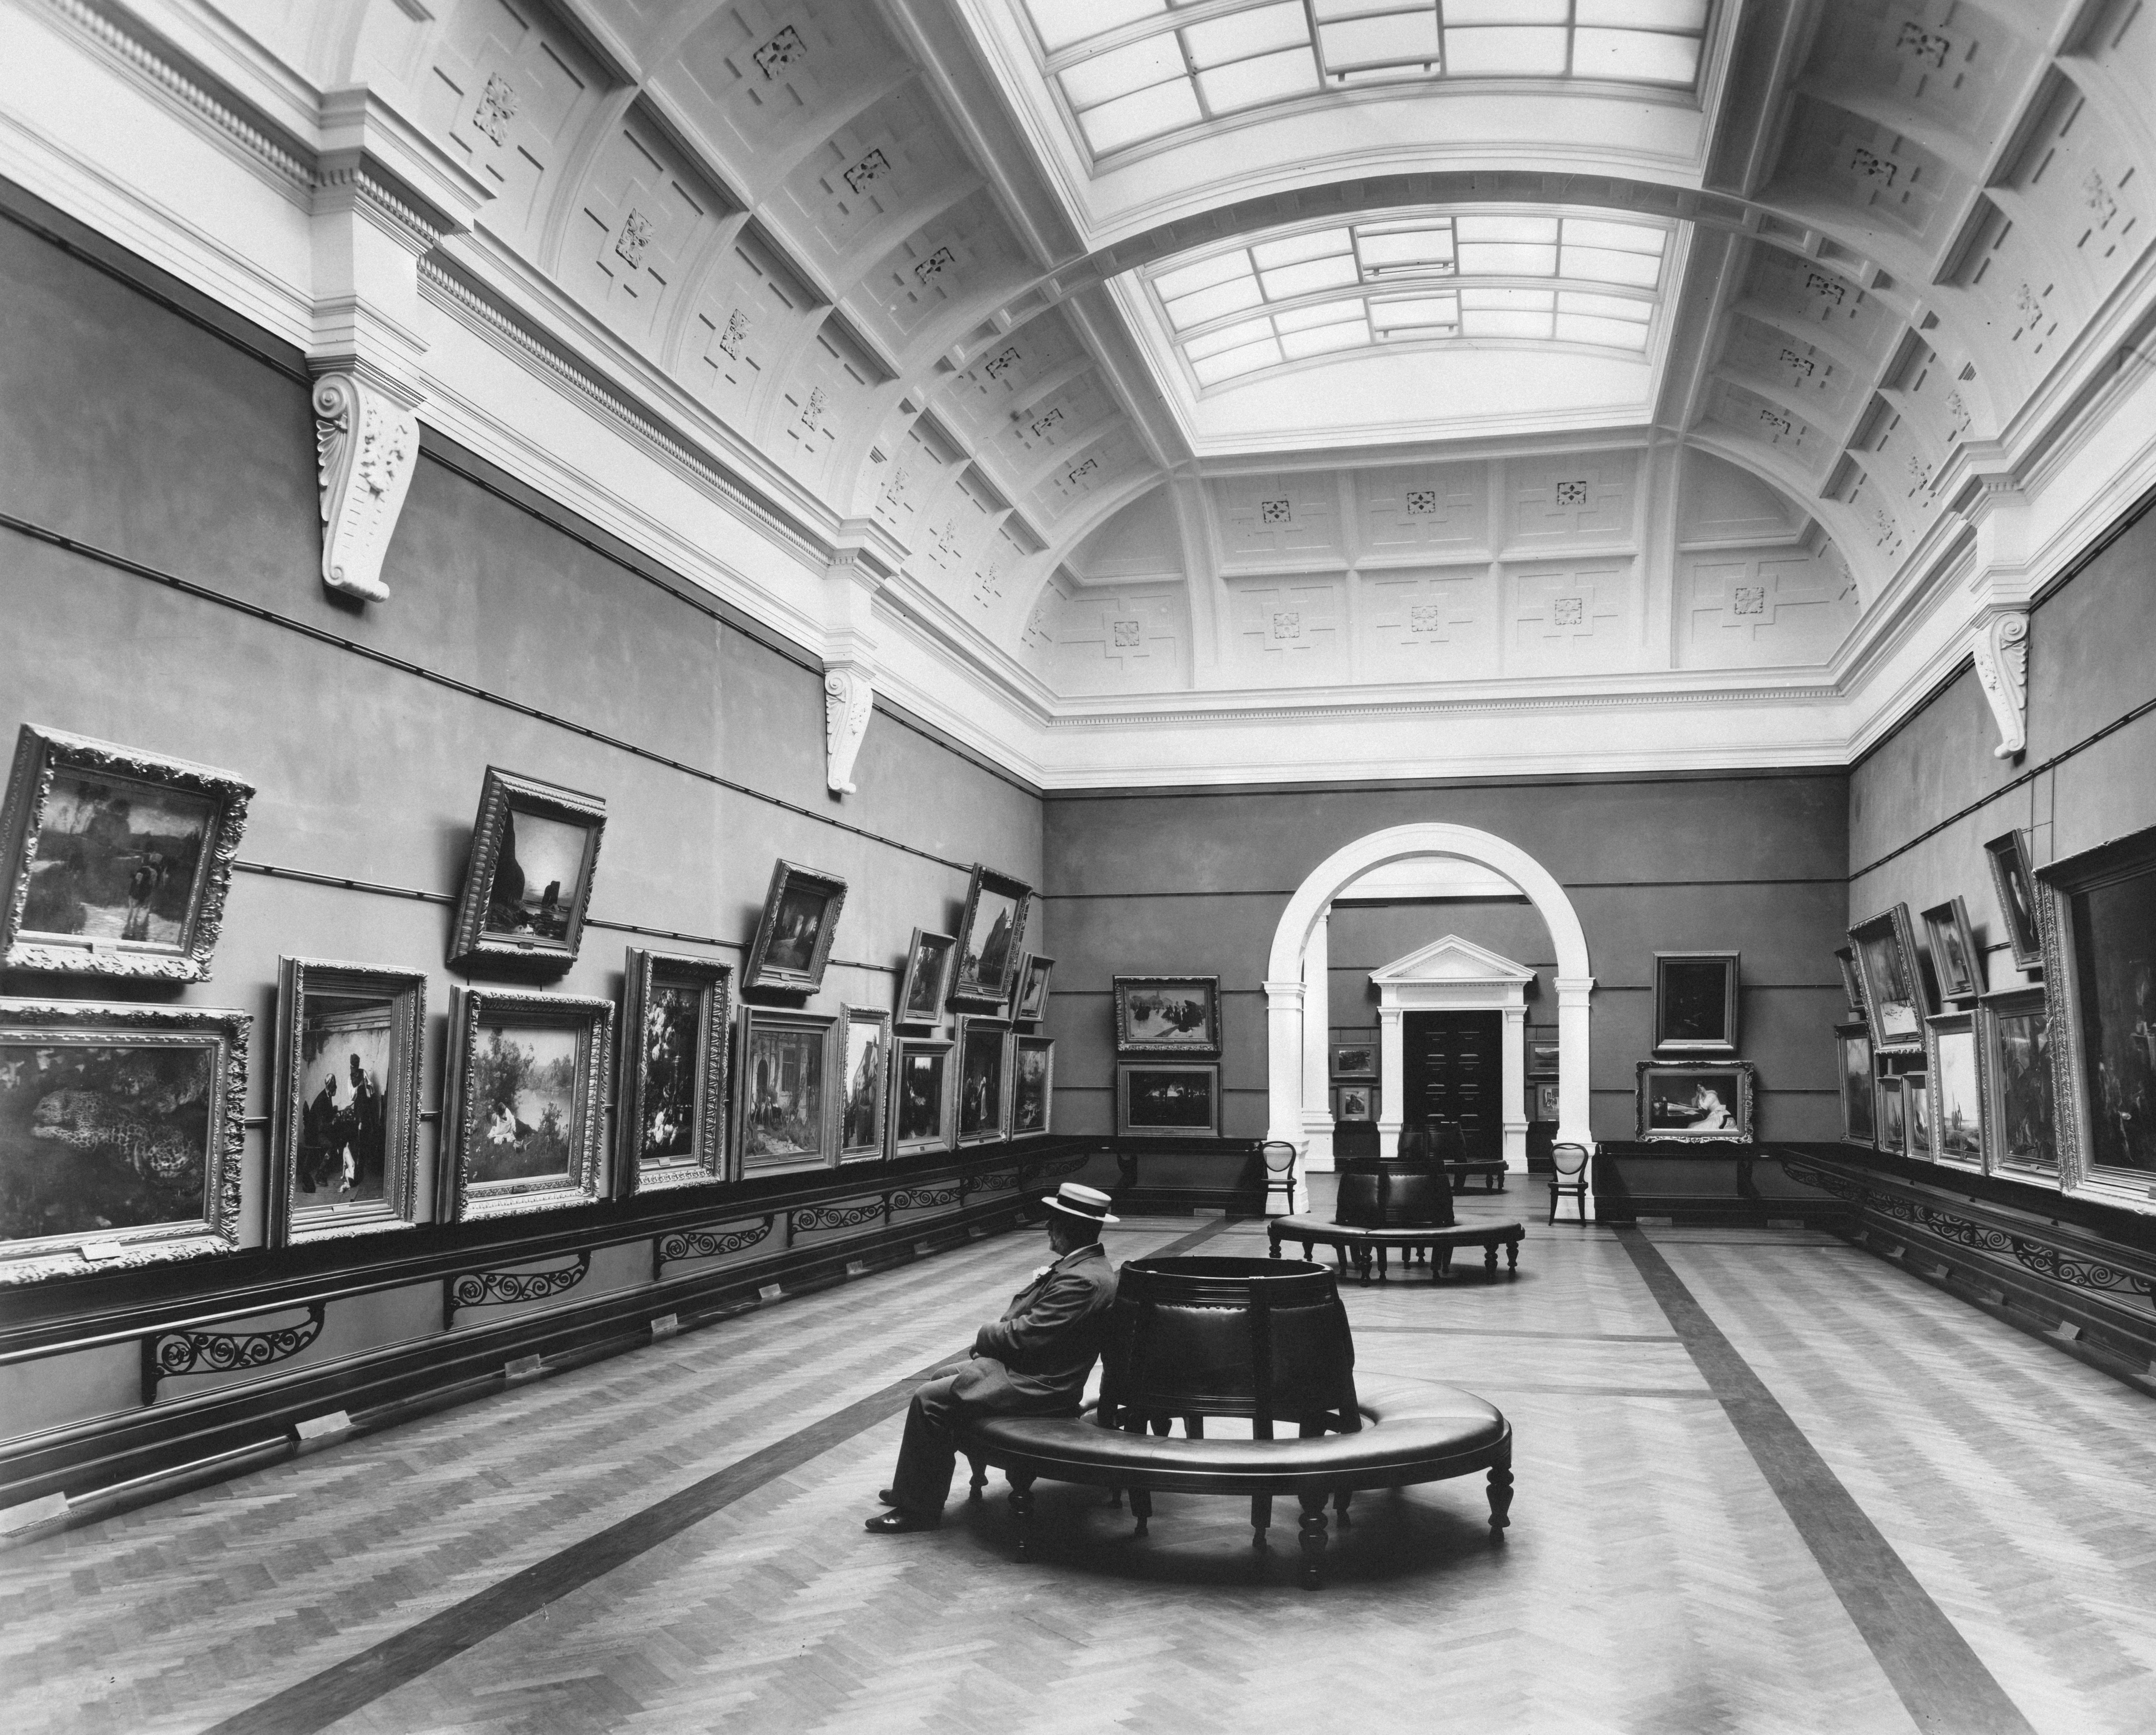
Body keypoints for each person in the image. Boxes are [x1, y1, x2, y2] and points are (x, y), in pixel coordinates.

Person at [866, 1183, 1121, 1534]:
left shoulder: (1085, 1280)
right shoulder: (1084, 1266)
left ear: (1069, 1226)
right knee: (940, 1377)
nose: (1048, 1227)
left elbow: (1025, 1335)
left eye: (1053, 1220)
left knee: (929, 1401)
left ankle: (919, 1510)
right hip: (1031, 1369)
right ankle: (913, 1486)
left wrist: (985, 1338)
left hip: (1040, 1385)